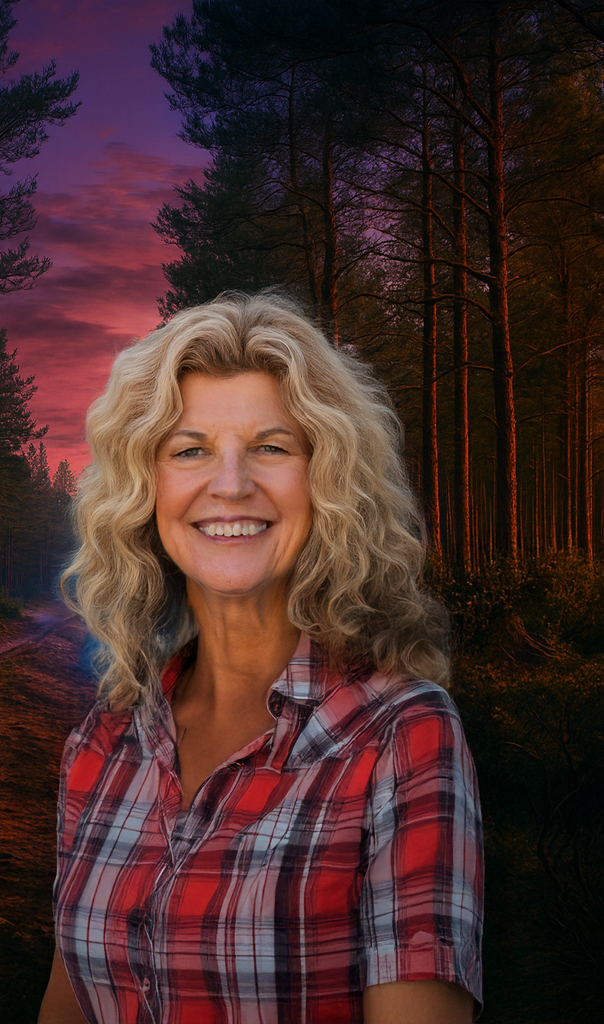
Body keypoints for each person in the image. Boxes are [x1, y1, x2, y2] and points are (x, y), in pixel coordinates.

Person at [37, 291, 483, 1024]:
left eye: (272, 447)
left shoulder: (402, 736)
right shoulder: (102, 743)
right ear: (146, 489)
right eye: (190, 450)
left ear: (328, 479)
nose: (231, 484)